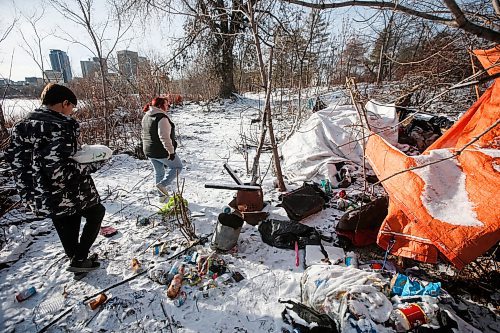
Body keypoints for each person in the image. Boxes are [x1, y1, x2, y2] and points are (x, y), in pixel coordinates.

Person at [5, 83, 106, 276]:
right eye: (71, 107)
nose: (71, 112)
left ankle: (77, 259)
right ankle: (79, 257)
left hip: (40, 192)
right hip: (69, 189)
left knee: (65, 220)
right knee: (96, 213)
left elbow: (16, 161)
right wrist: (93, 163)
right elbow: (59, 170)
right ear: (64, 103)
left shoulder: (21, 125)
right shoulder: (61, 126)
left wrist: (30, 189)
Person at [141, 96, 182, 201]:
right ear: (160, 106)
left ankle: (162, 198)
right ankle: (162, 185)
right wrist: (171, 152)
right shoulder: (162, 118)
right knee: (177, 167)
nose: (168, 106)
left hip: (149, 150)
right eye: (167, 104)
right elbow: (164, 136)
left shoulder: (147, 115)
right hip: (161, 151)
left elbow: (145, 133)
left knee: (159, 173)